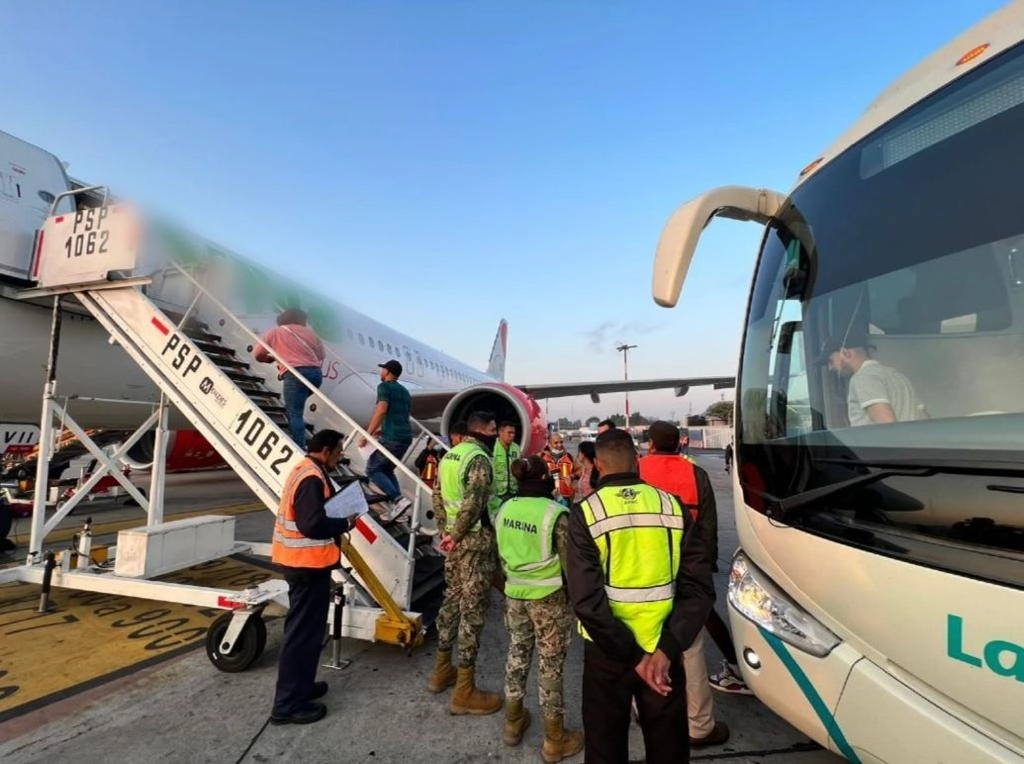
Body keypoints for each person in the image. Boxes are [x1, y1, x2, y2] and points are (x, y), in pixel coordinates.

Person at [566, 428, 715, 764]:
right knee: (668, 747)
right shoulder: (671, 507)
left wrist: (635, 658)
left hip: (609, 654)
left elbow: (586, 602)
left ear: (598, 467)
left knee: (605, 746)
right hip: (663, 647)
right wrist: (664, 651)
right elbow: (699, 588)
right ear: (637, 461)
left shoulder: (586, 513)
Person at [639, 421, 732, 748]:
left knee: (648, 640)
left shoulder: (636, 472)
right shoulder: (696, 474)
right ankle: (699, 725)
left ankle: (643, 707)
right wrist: (705, 572)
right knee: (690, 648)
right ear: (679, 443)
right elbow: (707, 528)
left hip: (645, 570)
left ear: (650, 444)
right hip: (686, 569)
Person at [496, 456, 584, 761]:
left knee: (517, 656)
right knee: (550, 665)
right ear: (543, 478)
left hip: (515, 596)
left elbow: (501, 554)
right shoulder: (555, 514)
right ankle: (555, 738)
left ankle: (512, 722)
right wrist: (577, 600)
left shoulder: (505, 509)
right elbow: (571, 565)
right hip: (548, 599)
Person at [270, 429, 353, 725]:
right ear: (327, 451)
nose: (341, 457)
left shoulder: (304, 469)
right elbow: (311, 524)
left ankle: (302, 688)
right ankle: (287, 705)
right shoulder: (311, 478)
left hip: (305, 565)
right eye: (339, 452)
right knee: (301, 636)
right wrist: (344, 522)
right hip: (304, 566)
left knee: (309, 633)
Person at [427, 410, 502, 715]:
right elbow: (473, 503)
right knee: (472, 611)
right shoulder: (478, 459)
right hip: (472, 544)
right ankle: (464, 691)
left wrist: (446, 532)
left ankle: (441, 670)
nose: (496, 433)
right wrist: (457, 535)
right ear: (481, 430)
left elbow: (437, 496)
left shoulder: (450, 456)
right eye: (494, 428)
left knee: (451, 603)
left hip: (453, 545)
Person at [254, 308, 325, 447]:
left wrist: (270, 359)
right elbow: (321, 356)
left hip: (295, 373)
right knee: (296, 406)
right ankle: (299, 433)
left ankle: (299, 446)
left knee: (294, 413)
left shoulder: (276, 332)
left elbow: (258, 354)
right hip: (316, 375)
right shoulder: (311, 334)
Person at [818, 332, 924, 426]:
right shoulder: (898, 376)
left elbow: (887, 426)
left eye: (830, 361)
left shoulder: (862, 378)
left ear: (846, 353)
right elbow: (923, 418)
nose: (830, 368)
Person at [361, 359, 414, 522]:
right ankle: (401, 510)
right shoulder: (405, 392)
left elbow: (382, 409)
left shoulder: (384, 387)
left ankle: (398, 500)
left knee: (372, 469)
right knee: (387, 470)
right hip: (405, 437)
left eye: (382, 369)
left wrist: (367, 434)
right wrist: (381, 429)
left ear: (388, 372)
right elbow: (399, 415)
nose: (380, 372)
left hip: (393, 437)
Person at [540, 433, 575, 506]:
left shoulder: (569, 457)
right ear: (549, 444)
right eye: (556, 443)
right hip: (547, 497)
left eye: (561, 442)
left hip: (566, 498)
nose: (559, 445)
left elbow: (581, 471)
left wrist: (572, 476)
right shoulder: (541, 457)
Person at [492, 421, 521, 505]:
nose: (512, 435)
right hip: (498, 494)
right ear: (500, 432)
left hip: (514, 492)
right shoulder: (493, 448)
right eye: (509, 433)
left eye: (513, 433)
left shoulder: (516, 448)